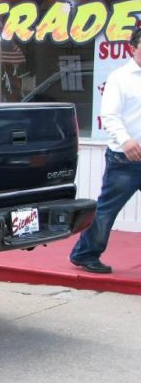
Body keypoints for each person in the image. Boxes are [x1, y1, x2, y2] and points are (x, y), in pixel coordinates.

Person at [70, 26, 141, 274]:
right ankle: (85, 254)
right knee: (107, 209)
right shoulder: (120, 78)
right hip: (126, 158)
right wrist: (126, 141)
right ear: (133, 49)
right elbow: (109, 116)